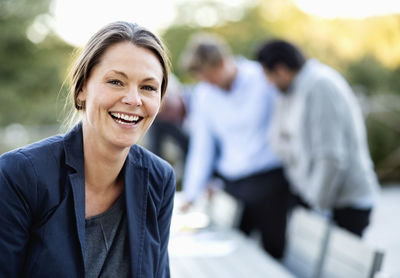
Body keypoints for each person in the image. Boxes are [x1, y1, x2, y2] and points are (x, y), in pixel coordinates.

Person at [0, 21, 175, 277]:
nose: (134, 99)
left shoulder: (159, 179)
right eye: (116, 82)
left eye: (148, 87)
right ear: (82, 88)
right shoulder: (20, 175)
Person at [179, 33, 291, 259]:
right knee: (230, 252)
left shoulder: (262, 78)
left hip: (272, 182)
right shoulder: (204, 95)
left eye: (210, 77)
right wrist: (191, 194)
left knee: (274, 253)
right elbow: (202, 147)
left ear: (222, 62)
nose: (207, 84)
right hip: (234, 186)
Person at [255, 39, 380, 236]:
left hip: (343, 203)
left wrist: (315, 206)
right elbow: (277, 141)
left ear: (281, 70)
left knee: (342, 266)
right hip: (314, 197)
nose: (267, 83)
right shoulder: (287, 92)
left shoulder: (321, 85)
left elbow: (330, 157)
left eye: (267, 75)